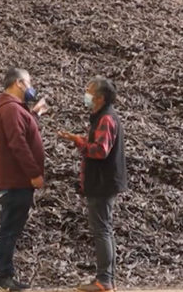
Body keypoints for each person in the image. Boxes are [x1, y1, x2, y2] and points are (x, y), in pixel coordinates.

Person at [58, 76, 127, 292]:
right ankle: (107, 279)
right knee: (104, 228)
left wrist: (78, 141)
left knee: (102, 230)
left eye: (89, 91)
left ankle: (104, 281)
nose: (86, 95)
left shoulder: (106, 119)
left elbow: (100, 150)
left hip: (102, 182)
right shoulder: (102, 117)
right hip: (104, 181)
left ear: (100, 97)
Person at [0, 68, 48, 291]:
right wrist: (34, 173)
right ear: (19, 83)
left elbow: (19, 131)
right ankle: (4, 277)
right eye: (29, 82)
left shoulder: (11, 109)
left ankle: (5, 275)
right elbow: (18, 144)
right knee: (9, 229)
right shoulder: (11, 109)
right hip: (16, 181)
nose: (31, 87)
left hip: (14, 180)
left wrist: (32, 115)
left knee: (10, 228)